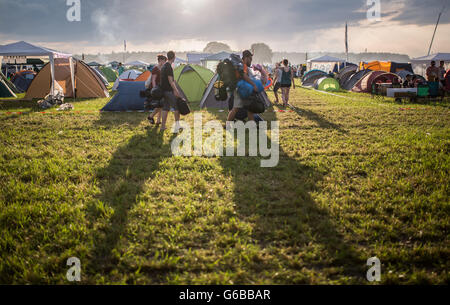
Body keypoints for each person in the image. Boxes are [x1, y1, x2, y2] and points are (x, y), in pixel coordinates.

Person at [226, 50, 257, 125]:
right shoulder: (242, 65)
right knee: (237, 109)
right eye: (250, 59)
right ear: (246, 58)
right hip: (240, 89)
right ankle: (227, 125)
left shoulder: (240, 65)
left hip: (241, 89)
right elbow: (244, 76)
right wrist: (253, 85)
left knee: (248, 109)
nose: (251, 61)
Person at [160, 51, 183, 132]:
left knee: (165, 108)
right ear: (174, 57)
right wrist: (176, 91)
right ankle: (177, 126)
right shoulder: (169, 67)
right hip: (169, 91)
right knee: (177, 107)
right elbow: (171, 81)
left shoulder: (163, 66)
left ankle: (162, 126)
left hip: (163, 90)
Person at [147, 54, 167, 125]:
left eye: (165, 61)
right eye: (164, 61)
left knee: (161, 105)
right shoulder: (155, 68)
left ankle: (158, 121)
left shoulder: (163, 68)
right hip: (156, 90)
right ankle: (150, 116)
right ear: (160, 61)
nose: (164, 62)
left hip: (161, 89)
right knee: (159, 105)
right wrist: (155, 89)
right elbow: (153, 80)